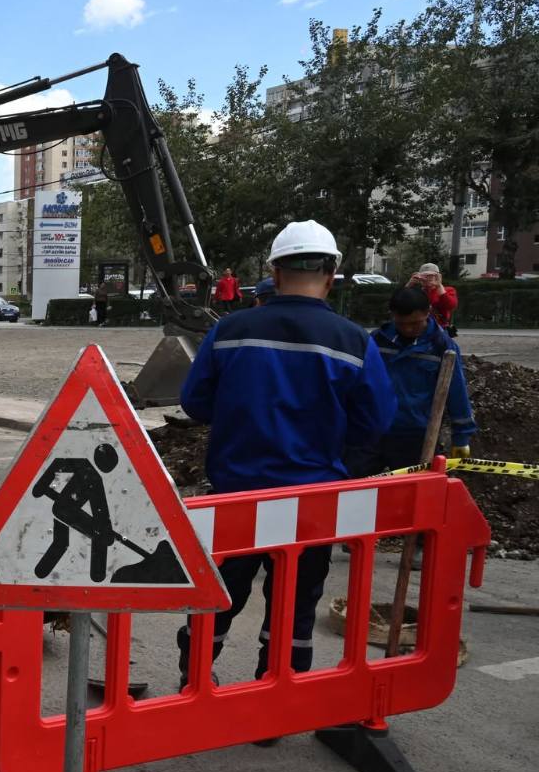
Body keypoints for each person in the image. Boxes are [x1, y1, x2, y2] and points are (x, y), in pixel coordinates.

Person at [178, 220, 395, 706]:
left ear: (274, 270)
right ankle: (276, 698)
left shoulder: (230, 330)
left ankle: (193, 685)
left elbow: (194, 402)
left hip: (236, 493)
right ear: (332, 272)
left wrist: (241, 411)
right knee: (295, 605)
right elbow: (377, 419)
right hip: (312, 501)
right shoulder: (353, 340)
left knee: (217, 595)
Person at [346, 286, 476, 476]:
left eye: (415, 324)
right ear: (392, 315)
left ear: (427, 312)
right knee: (351, 484)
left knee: (416, 492)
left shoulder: (441, 346)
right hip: (374, 431)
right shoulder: (377, 341)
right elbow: (358, 383)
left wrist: (462, 437)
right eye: (401, 323)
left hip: (416, 434)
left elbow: (456, 392)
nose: (408, 329)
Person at [409, 263, 457, 334]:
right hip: (419, 329)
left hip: (440, 329)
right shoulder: (416, 292)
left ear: (438, 277)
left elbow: (451, 306)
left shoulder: (447, 290)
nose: (428, 278)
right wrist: (409, 284)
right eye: (424, 276)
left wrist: (439, 286)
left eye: (431, 275)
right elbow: (399, 303)